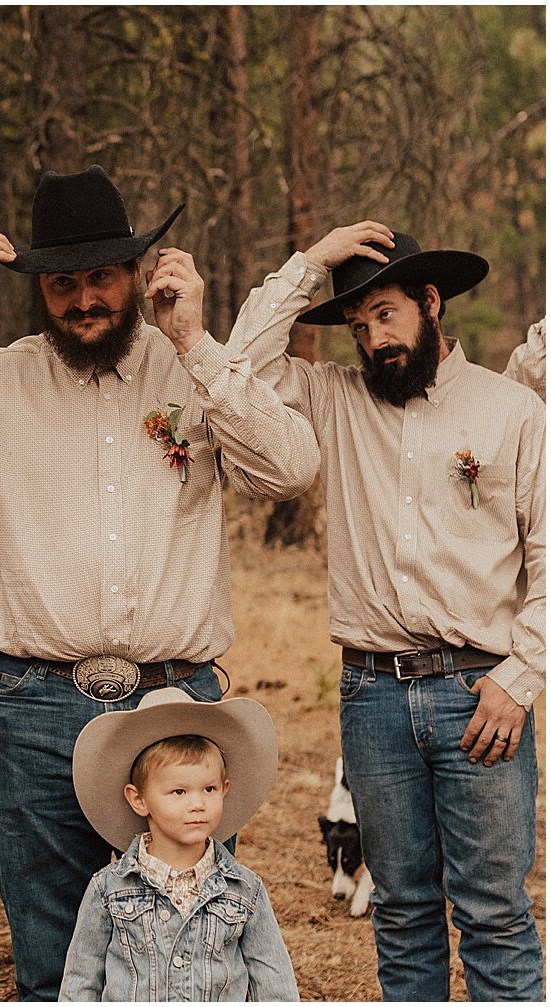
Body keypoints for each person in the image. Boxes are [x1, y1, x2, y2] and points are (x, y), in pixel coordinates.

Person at [0, 164, 319, 1000]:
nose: (84, 300)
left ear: (136, 274)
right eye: (63, 284)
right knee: (52, 967)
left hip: (175, 712)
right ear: (40, 290)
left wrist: (196, 344)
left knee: (196, 969)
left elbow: (290, 467)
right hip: (34, 711)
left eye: (101, 277)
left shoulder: (192, 371)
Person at [226, 221, 545, 1001]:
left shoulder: (513, 411)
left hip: (484, 695)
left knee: (495, 916)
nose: (373, 338)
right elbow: (238, 366)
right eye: (360, 324)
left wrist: (523, 674)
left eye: (388, 314)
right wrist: (311, 263)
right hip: (372, 698)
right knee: (401, 915)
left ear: (431, 302)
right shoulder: (333, 398)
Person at [60, 688, 298, 1001]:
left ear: (225, 789)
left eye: (209, 789)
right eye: (179, 792)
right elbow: (81, 982)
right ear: (139, 799)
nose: (197, 804)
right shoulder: (108, 889)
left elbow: (274, 981)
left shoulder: (245, 890)